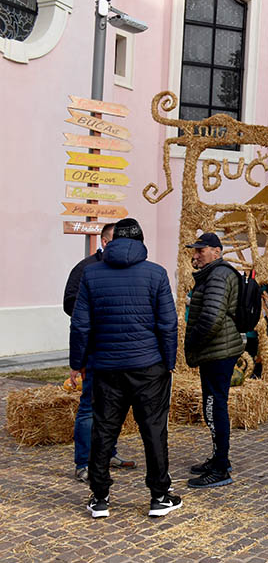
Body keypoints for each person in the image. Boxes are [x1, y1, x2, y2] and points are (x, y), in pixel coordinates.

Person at [68, 218, 180, 518]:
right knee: (154, 430)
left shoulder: (91, 274)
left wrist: (76, 364)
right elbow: (168, 324)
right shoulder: (156, 274)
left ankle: (100, 497)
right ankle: (159, 496)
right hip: (148, 366)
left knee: (104, 429)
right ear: (142, 241)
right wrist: (169, 363)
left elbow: (80, 325)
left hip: (106, 367)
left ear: (112, 240)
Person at [63, 223, 136, 482]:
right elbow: (70, 304)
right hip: (95, 349)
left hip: (121, 350)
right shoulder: (85, 269)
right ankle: (83, 462)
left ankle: (108, 454)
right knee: (89, 407)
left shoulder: (128, 268)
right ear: (105, 242)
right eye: (118, 240)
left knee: (114, 407)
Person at [184, 232, 245, 489]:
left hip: (218, 351)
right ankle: (220, 459)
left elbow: (211, 318)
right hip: (216, 350)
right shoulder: (214, 274)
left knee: (214, 406)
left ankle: (220, 469)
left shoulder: (219, 275)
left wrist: (192, 341)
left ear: (216, 252)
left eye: (201, 250)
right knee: (213, 406)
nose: (195, 255)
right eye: (195, 250)